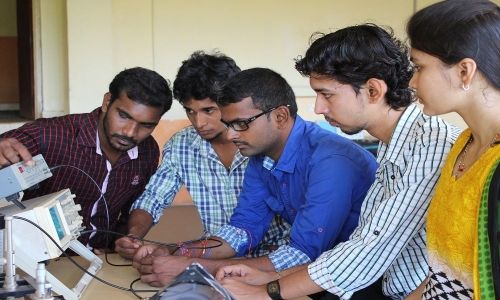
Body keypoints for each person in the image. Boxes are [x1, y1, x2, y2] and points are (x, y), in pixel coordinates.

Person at [216, 24, 461, 300]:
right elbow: (361, 243)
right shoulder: (394, 143)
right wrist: (272, 276)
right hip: (386, 287)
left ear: (372, 90)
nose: (318, 108)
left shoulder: (430, 146)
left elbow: (370, 248)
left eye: (327, 94)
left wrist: (266, 291)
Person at [132, 67, 378, 287]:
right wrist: (179, 250)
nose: (230, 136)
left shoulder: (331, 160)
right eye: (228, 124)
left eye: (241, 124)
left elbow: (303, 253)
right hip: (316, 277)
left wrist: (193, 268)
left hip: (362, 283)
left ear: (280, 117)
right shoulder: (262, 158)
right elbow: (243, 230)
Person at [114, 51, 291, 259]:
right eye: (190, 111)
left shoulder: (265, 142)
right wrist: (134, 235)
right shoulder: (182, 145)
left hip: (277, 258)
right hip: (214, 256)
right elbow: (153, 198)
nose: (199, 123)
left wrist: (175, 251)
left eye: (209, 110)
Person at [0, 67, 173, 251]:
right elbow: (8, 147)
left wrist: (123, 243)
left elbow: (134, 209)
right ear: (107, 102)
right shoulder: (50, 134)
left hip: (100, 261)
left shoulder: (148, 151)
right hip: (37, 259)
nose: (130, 132)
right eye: (123, 116)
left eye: (146, 125)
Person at [405, 1, 500, 299]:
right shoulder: (464, 143)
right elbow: (442, 272)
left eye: (419, 67)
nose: (412, 81)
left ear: (464, 71)